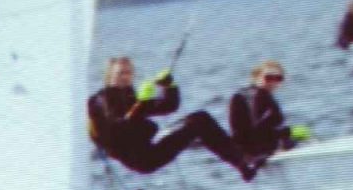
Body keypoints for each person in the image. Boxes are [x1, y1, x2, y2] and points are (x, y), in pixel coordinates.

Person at [86, 56, 258, 182]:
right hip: (140, 158)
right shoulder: (101, 100)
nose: (126, 76)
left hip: (150, 148)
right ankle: (242, 159)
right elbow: (120, 125)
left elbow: (168, 106)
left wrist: (169, 87)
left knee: (200, 119)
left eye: (129, 72)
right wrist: (140, 104)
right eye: (120, 73)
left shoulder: (130, 96)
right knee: (197, 122)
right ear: (109, 76)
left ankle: (242, 163)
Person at [228, 61, 309, 163]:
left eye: (278, 78)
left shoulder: (247, 93)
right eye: (268, 78)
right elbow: (255, 129)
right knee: (302, 131)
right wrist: (286, 134)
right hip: (256, 151)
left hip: (246, 149)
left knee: (298, 131)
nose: (273, 82)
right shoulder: (258, 96)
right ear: (256, 77)